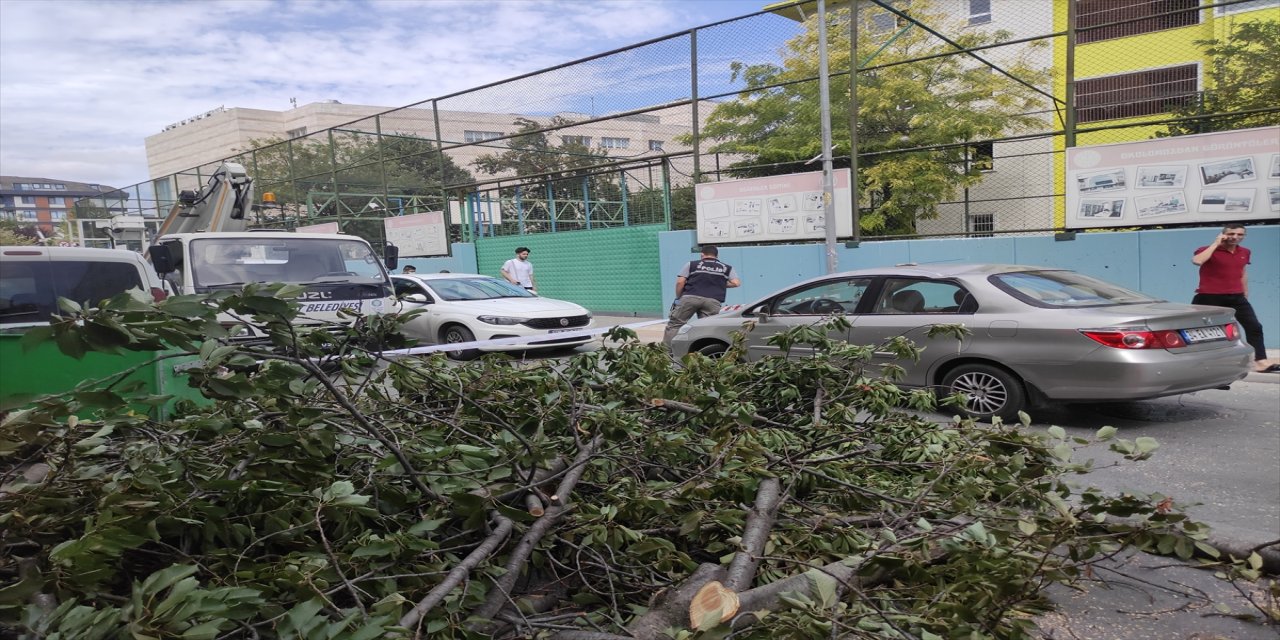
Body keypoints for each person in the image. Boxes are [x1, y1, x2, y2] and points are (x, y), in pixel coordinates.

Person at [1192, 224, 1276, 373]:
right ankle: (1196, 364)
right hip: (1209, 297)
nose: (1235, 237)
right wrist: (1216, 243)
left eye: (1240, 234)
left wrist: (1245, 292)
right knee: (1201, 332)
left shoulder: (1245, 252)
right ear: (1223, 234)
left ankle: (1260, 361)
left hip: (1237, 297)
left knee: (1255, 327)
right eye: (1231, 233)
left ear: (1244, 236)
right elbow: (1197, 261)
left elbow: (1242, 272)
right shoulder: (1207, 249)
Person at [664, 245, 740, 345]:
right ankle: (704, 353)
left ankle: (667, 352)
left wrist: (679, 297)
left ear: (702, 254)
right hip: (712, 301)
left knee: (675, 324)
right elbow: (736, 283)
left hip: (690, 297)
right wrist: (717, 284)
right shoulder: (727, 268)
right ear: (717, 256)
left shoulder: (691, 264)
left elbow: (680, 282)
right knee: (707, 328)